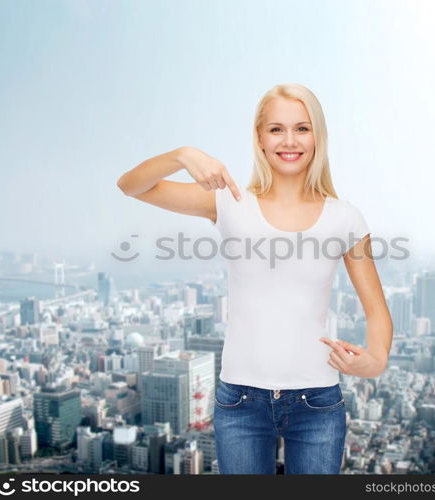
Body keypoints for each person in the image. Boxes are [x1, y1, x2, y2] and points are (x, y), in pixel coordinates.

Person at [117, 83, 393, 474]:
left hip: (317, 401)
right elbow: (131, 186)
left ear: (318, 136)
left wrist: (376, 360)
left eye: (302, 127)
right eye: (276, 129)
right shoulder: (229, 201)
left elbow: (377, 310)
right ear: (260, 138)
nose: (289, 140)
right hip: (240, 402)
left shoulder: (345, 217)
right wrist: (183, 155)